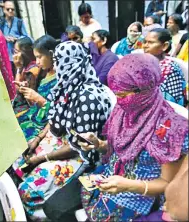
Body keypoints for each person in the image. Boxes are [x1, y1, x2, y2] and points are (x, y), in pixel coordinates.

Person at [78, 53, 188, 221]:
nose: (118, 101)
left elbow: (166, 183)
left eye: (122, 95)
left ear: (144, 90)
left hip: (140, 195)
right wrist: (98, 144)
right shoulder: (125, 110)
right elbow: (121, 147)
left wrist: (128, 185)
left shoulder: (170, 129)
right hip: (113, 178)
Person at [13, 41, 113, 220]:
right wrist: (37, 139)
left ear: (73, 63)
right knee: (18, 163)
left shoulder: (88, 97)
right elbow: (54, 120)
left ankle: (42, 215)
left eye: (61, 61)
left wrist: (41, 158)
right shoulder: (65, 86)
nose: (57, 66)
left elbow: (80, 146)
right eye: (56, 60)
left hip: (80, 155)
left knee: (27, 190)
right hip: (61, 141)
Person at [14, 35, 57, 141]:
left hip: (47, 123)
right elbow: (32, 104)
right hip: (35, 115)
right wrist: (26, 91)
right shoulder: (43, 72)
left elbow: (60, 112)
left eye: (39, 57)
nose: (37, 62)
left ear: (51, 54)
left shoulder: (61, 78)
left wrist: (40, 100)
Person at [143, 28, 186, 106]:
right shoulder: (142, 64)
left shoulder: (171, 70)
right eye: (145, 42)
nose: (145, 46)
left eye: (151, 42)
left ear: (164, 46)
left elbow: (172, 104)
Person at [0, 1, 28, 76]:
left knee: (20, 74)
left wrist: (17, 39)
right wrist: (4, 38)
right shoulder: (0, 23)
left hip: (18, 55)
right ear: (4, 10)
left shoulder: (19, 22)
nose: (10, 11)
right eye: (8, 9)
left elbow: (26, 37)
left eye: (12, 9)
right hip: (5, 56)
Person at [12, 37, 41, 117]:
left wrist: (18, 68)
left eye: (16, 52)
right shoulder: (25, 66)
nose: (14, 55)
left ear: (24, 53)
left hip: (31, 106)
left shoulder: (32, 70)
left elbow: (17, 89)